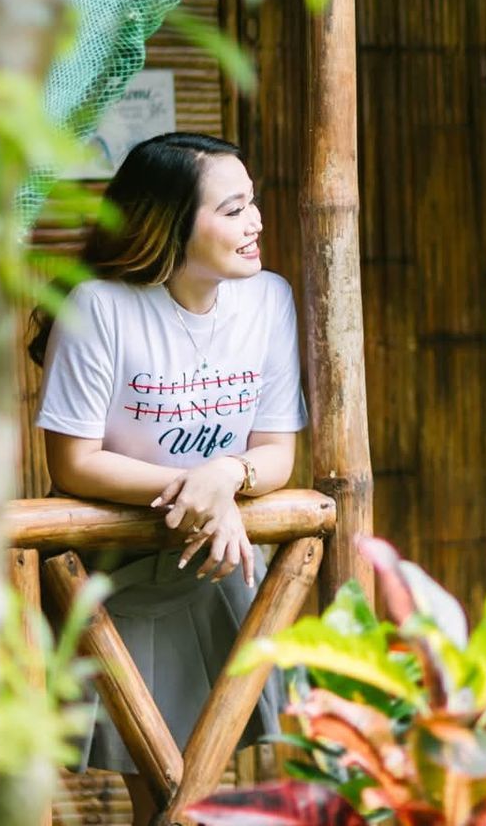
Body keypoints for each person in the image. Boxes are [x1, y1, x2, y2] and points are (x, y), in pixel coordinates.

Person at [30, 131, 304, 825]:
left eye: (253, 203)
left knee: (202, 786)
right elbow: (74, 462)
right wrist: (200, 490)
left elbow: (277, 452)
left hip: (219, 565)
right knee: (161, 793)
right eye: (233, 209)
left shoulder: (268, 299)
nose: (256, 222)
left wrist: (224, 475)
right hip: (111, 580)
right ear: (172, 226)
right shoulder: (97, 307)